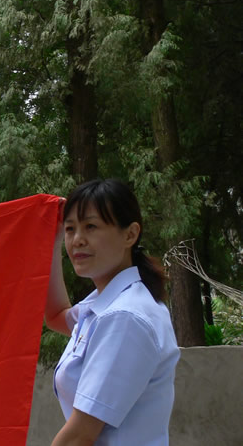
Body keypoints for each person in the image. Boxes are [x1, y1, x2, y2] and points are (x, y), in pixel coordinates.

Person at [44, 178, 179, 445]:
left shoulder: (125, 317)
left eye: (91, 226)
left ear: (130, 234)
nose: (77, 240)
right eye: (70, 229)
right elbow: (57, 315)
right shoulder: (107, 302)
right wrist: (52, 240)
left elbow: (80, 435)